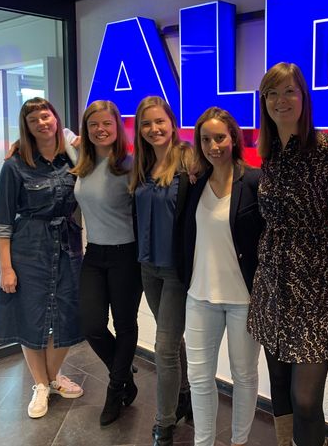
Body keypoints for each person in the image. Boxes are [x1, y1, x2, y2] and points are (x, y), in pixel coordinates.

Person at [247, 62, 328, 446]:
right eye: (272, 93)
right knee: (279, 383)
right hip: (271, 281)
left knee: (305, 398)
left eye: (289, 91)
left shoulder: (327, 148)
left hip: (315, 284)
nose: (280, 100)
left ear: (304, 97)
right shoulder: (267, 152)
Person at [0, 97, 84, 419]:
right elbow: (2, 222)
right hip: (28, 249)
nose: (42, 123)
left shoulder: (72, 157)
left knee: (68, 315)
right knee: (31, 318)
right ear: (27, 128)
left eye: (46, 117)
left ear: (55, 119)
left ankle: (51, 377)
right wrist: (7, 268)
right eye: (34, 121)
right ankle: (41, 385)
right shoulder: (14, 165)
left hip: (68, 246)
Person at [181, 107, 265, 446]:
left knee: (244, 376)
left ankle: (239, 441)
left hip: (243, 300)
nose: (213, 146)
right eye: (205, 139)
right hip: (199, 297)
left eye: (220, 138)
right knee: (199, 378)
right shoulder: (194, 183)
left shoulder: (254, 181)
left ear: (233, 138)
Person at [130, 96, 196, 446]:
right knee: (171, 339)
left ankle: (163, 423)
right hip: (147, 267)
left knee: (164, 347)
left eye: (159, 121)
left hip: (175, 271)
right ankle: (183, 394)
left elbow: (231, 174)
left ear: (172, 122)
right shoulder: (139, 165)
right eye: (146, 123)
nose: (153, 129)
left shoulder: (189, 160)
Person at [72, 100, 142, 426]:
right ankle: (125, 376)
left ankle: (115, 391)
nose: (100, 129)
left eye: (107, 124)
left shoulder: (131, 165)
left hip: (126, 255)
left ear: (118, 127)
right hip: (94, 254)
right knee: (92, 326)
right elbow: (51, 133)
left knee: (125, 325)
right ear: (86, 130)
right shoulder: (81, 161)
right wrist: (17, 146)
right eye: (93, 124)